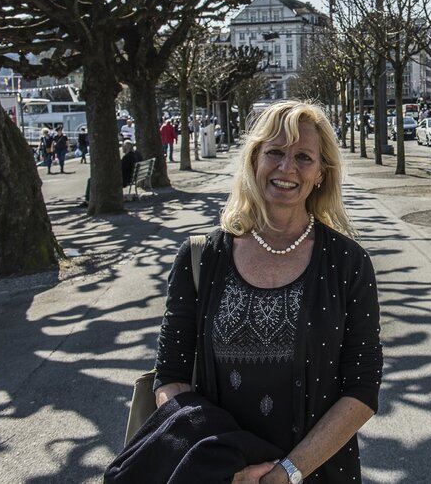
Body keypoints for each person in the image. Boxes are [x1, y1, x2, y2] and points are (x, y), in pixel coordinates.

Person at [152, 100, 382, 483]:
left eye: (304, 157)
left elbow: (361, 388)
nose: (286, 168)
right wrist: (225, 466)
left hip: (317, 474)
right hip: (215, 473)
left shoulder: (349, 264)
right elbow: (171, 377)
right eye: (274, 152)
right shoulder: (202, 259)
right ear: (255, 160)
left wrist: (287, 472)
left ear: (321, 173)